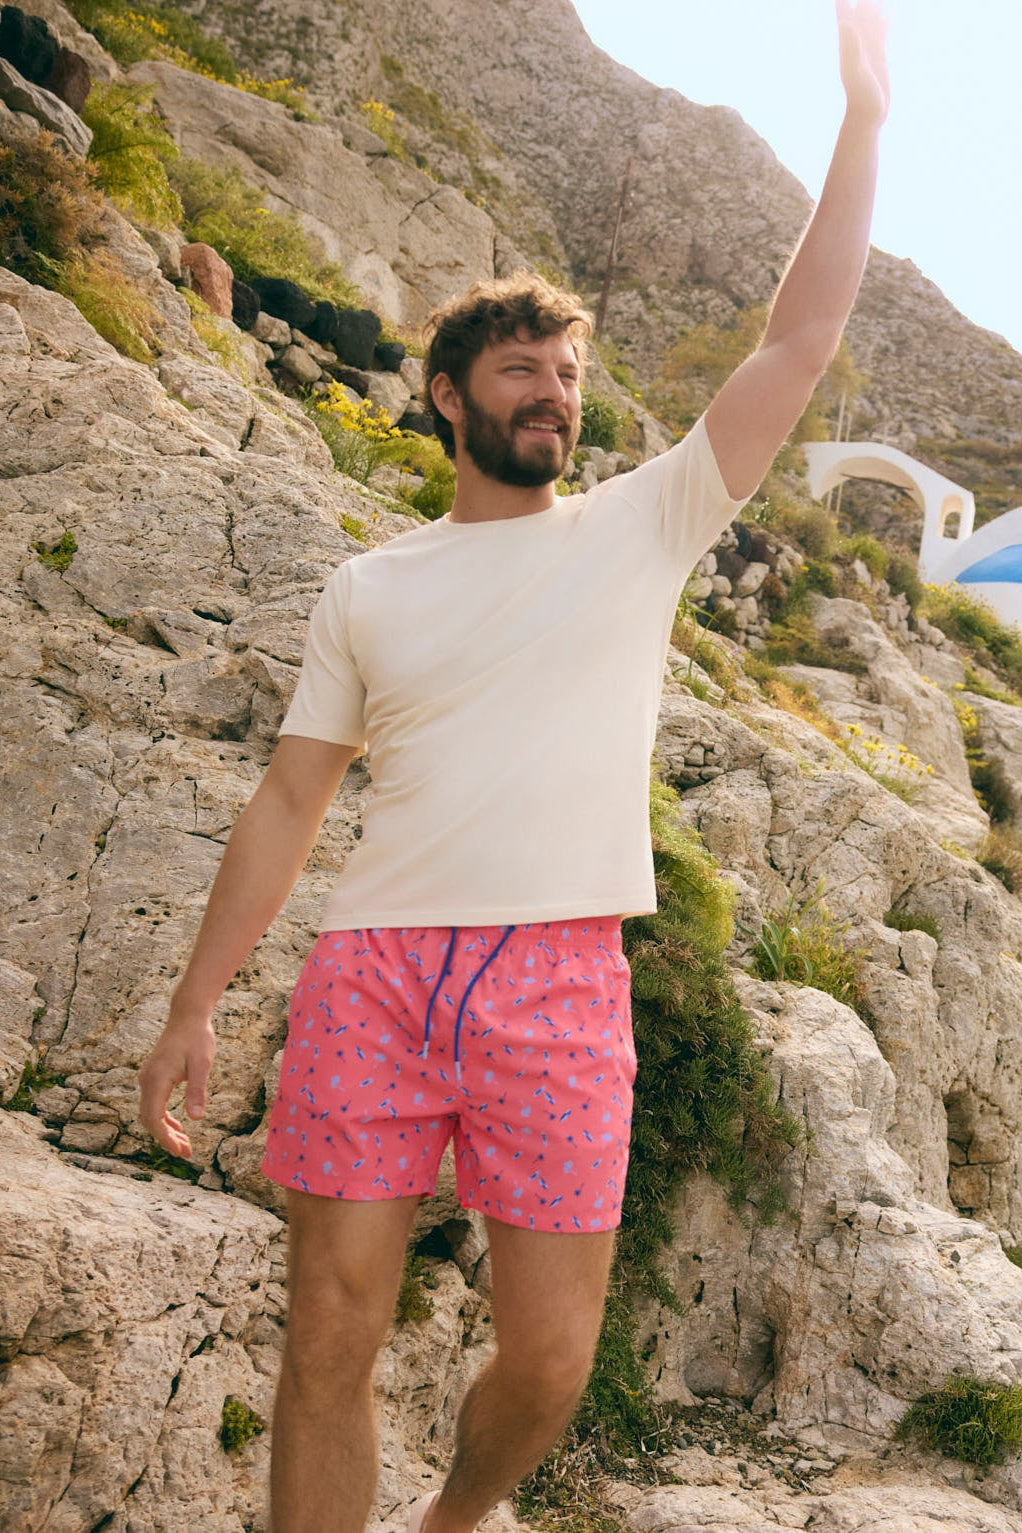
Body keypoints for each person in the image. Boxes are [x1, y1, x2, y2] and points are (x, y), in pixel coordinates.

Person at [138, 3, 889, 1528]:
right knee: (328, 1339)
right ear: (449, 393)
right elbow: (291, 798)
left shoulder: (643, 525)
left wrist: (861, 120)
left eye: (564, 375)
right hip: (372, 975)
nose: (552, 393)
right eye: (521, 372)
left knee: (547, 1360)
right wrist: (198, 1001)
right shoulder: (374, 586)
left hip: (561, 980)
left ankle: (450, 1520)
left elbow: (797, 341)